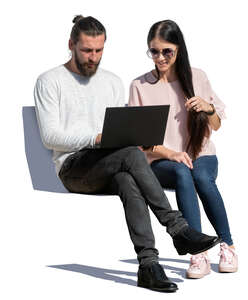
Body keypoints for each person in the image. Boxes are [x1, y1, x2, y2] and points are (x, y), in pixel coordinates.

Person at [34, 15, 220, 292]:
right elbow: (50, 137)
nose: (93, 57)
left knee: (127, 177)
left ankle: (148, 266)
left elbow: (119, 132)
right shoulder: (50, 80)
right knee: (131, 154)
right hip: (73, 168)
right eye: (86, 50)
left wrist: (127, 137)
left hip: (110, 163)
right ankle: (178, 229)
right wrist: (97, 139)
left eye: (99, 50)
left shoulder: (112, 81)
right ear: (71, 44)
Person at [128, 19, 238, 279]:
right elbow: (137, 138)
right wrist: (171, 153)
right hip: (161, 160)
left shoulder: (196, 76)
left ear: (179, 49)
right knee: (181, 170)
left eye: (167, 51)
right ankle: (197, 253)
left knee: (199, 175)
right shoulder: (139, 86)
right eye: (154, 51)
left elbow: (217, 124)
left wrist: (207, 108)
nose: (161, 57)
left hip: (201, 155)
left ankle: (228, 245)